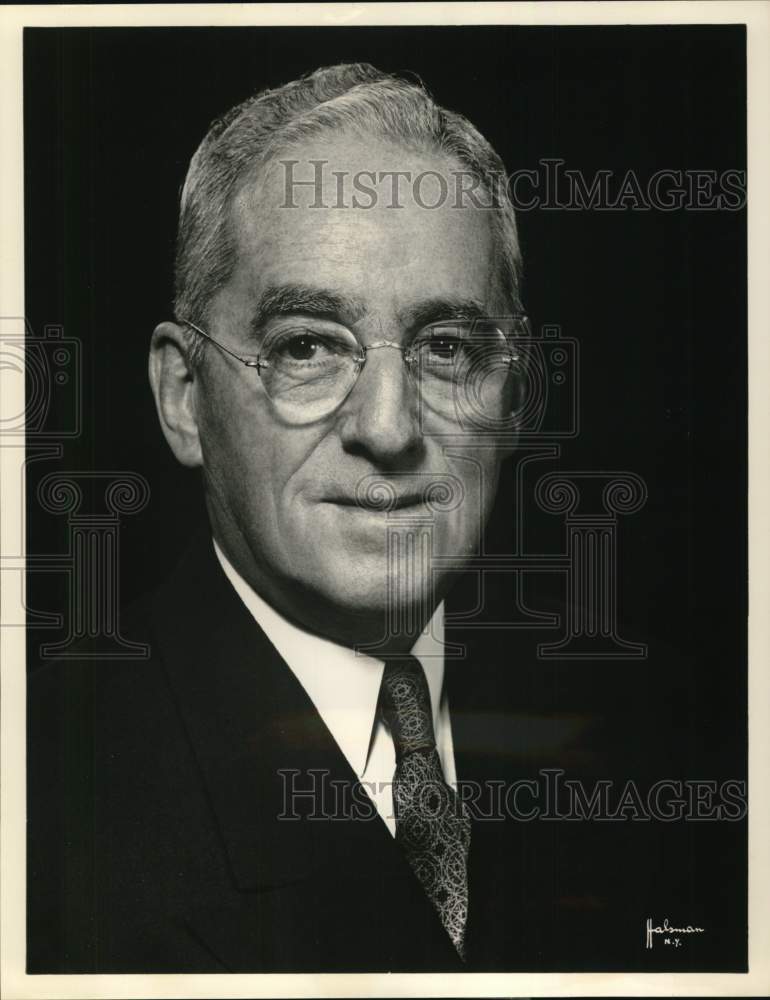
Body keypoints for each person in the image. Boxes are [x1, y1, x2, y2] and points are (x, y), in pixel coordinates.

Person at [26, 62, 713, 975]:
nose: (387, 427)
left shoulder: (674, 735)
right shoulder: (37, 798)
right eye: (306, 345)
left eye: (448, 347)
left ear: (517, 391)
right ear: (184, 395)